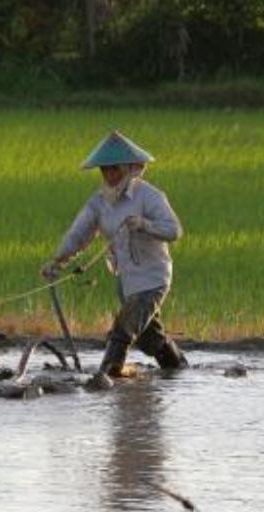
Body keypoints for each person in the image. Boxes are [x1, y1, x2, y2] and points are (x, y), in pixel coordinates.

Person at [41, 130, 188, 377]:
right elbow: (79, 234)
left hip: (152, 278)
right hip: (126, 280)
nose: (109, 175)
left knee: (123, 330)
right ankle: (178, 368)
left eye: (114, 169)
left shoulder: (149, 196)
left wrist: (145, 225)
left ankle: (106, 377)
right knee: (150, 338)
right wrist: (58, 261)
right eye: (105, 170)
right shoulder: (99, 202)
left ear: (129, 169)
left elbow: (174, 230)